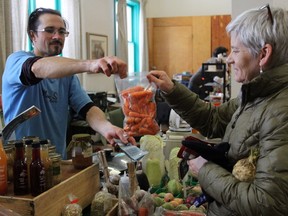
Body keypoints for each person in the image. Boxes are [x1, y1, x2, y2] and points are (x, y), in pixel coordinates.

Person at [147, 4, 288, 216]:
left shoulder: (280, 112)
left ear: (264, 54)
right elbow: (213, 120)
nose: (229, 58)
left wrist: (205, 170)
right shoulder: (256, 95)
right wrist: (172, 90)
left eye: (236, 50)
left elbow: (266, 203)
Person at [2, 8, 135, 159]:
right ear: (33, 35)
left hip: (57, 164)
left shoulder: (67, 76)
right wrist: (90, 64)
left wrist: (107, 128)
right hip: (21, 165)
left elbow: (87, 108)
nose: (57, 36)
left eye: (62, 31)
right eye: (49, 30)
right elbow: (37, 68)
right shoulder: (16, 60)